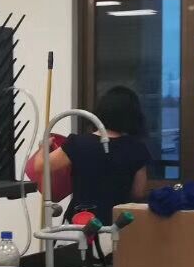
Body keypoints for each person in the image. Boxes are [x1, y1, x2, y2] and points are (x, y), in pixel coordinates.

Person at [26, 85, 151, 224]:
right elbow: (138, 193)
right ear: (134, 116)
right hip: (118, 223)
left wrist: (43, 147)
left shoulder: (78, 143)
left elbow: (40, 166)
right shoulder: (137, 149)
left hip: (80, 222)